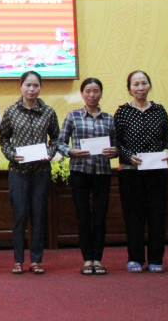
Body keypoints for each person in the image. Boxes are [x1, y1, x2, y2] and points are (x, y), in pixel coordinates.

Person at [0, 70, 59, 275]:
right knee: (20, 215)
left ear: (40, 88)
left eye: (35, 86)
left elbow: (56, 138)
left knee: (38, 216)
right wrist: (11, 155)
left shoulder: (48, 112)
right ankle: (18, 260)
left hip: (41, 171)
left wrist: (49, 154)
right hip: (19, 171)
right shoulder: (11, 111)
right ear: (21, 86)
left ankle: (36, 260)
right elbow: (4, 138)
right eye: (28, 85)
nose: (32, 89)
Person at [58, 77, 118, 275]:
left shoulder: (109, 119)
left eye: (96, 91)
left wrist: (114, 152)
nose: (92, 95)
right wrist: (71, 151)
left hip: (102, 173)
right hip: (79, 172)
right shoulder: (73, 116)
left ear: (101, 94)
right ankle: (87, 260)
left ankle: (98, 259)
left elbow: (117, 146)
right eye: (88, 91)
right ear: (82, 94)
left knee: (100, 218)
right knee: (83, 217)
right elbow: (60, 142)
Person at [114, 71, 168, 274]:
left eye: (144, 83)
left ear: (149, 86)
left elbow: (167, 138)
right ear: (129, 88)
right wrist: (128, 156)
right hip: (131, 172)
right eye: (136, 84)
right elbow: (116, 141)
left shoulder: (159, 110)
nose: (140, 87)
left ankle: (156, 259)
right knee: (134, 216)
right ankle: (135, 259)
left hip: (156, 172)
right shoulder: (122, 112)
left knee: (157, 215)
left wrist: (167, 150)